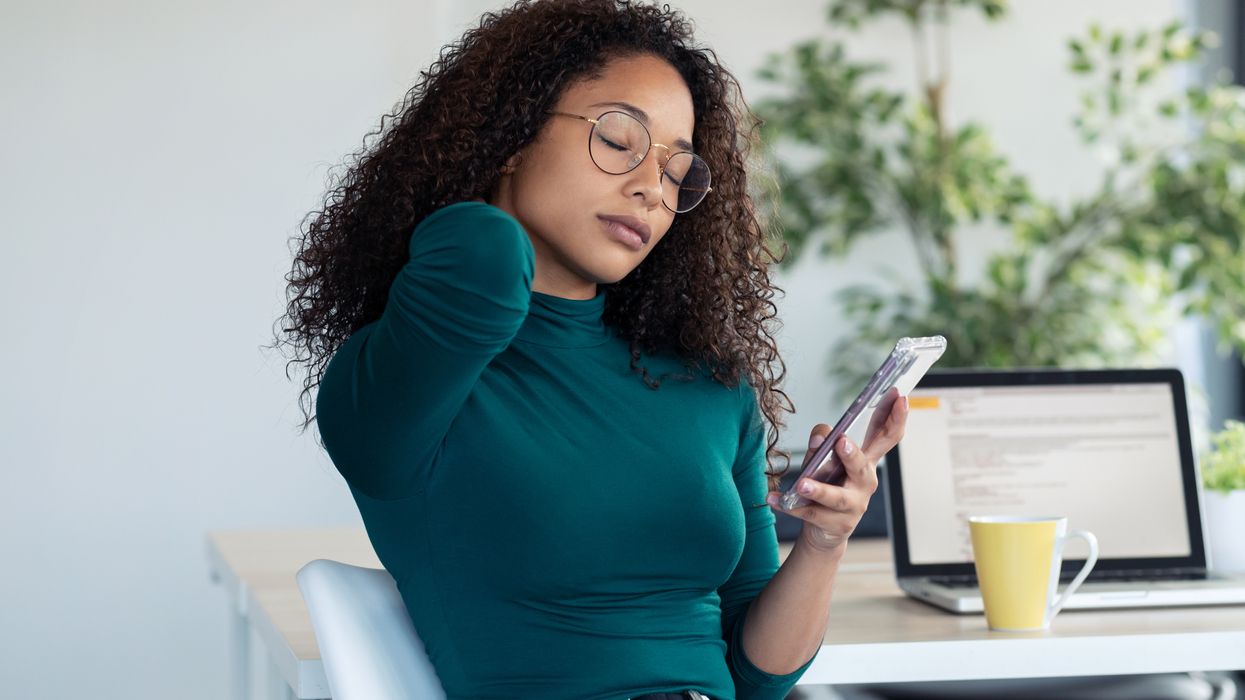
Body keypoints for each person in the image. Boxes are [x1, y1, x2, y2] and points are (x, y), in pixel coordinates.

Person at [277, 1, 909, 698]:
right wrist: (477, 175)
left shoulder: (707, 386)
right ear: (512, 133)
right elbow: (482, 257)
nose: (649, 189)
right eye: (617, 139)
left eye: (677, 174)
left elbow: (757, 675)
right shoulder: (408, 383)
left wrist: (824, 541)